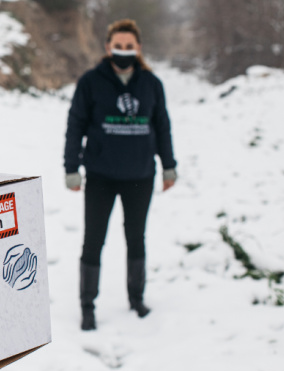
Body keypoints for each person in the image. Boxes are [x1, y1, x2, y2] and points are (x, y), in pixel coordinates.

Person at [63, 19, 177, 331]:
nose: (123, 51)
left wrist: (169, 165)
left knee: (135, 237)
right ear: (107, 47)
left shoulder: (151, 85)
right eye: (118, 45)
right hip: (100, 176)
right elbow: (75, 125)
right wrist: (71, 168)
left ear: (138, 48)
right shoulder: (90, 82)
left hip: (140, 175)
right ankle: (88, 305)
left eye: (129, 46)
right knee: (93, 240)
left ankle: (136, 298)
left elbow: (162, 127)